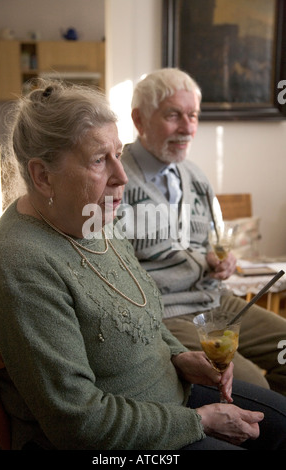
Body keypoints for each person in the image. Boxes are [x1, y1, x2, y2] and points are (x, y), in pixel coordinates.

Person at [0, 80, 286, 451]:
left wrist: (180, 357)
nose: (122, 176)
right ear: (43, 176)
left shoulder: (94, 219)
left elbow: (142, 313)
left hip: (169, 397)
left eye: (118, 153)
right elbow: (77, 420)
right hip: (114, 443)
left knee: (282, 422)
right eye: (100, 160)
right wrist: (199, 422)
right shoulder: (21, 263)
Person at [121, 67, 286, 396]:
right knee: (254, 383)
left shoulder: (195, 176)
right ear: (139, 120)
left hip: (215, 301)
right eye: (173, 115)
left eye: (193, 115)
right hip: (165, 312)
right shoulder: (116, 179)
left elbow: (214, 241)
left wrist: (221, 259)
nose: (187, 128)